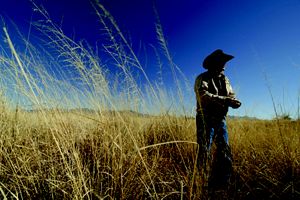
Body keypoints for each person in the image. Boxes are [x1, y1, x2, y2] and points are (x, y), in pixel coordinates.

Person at [194, 49, 241, 190]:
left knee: (225, 151)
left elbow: (231, 96)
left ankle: (224, 183)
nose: (224, 65)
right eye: (221, 62)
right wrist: (225, 100)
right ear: (213, 64)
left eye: (225, 63)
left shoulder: (226, 80)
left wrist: (234, 102)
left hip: (221, 119)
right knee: (204, 150)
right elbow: (203, 96)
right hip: (205, 118)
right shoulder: (202, 78)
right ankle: (201, 183)